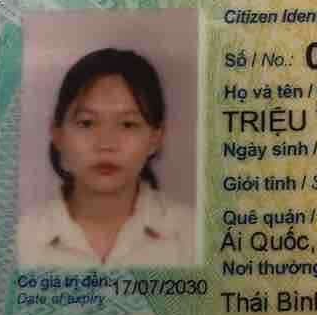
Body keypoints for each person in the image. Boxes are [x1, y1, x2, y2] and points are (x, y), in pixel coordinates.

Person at [17, 47, 196, 268]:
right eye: (87, 123)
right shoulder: (21, 241)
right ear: (58, 135)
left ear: (156, 139)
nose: (106, 144)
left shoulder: (193, 235)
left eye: (128, 124)